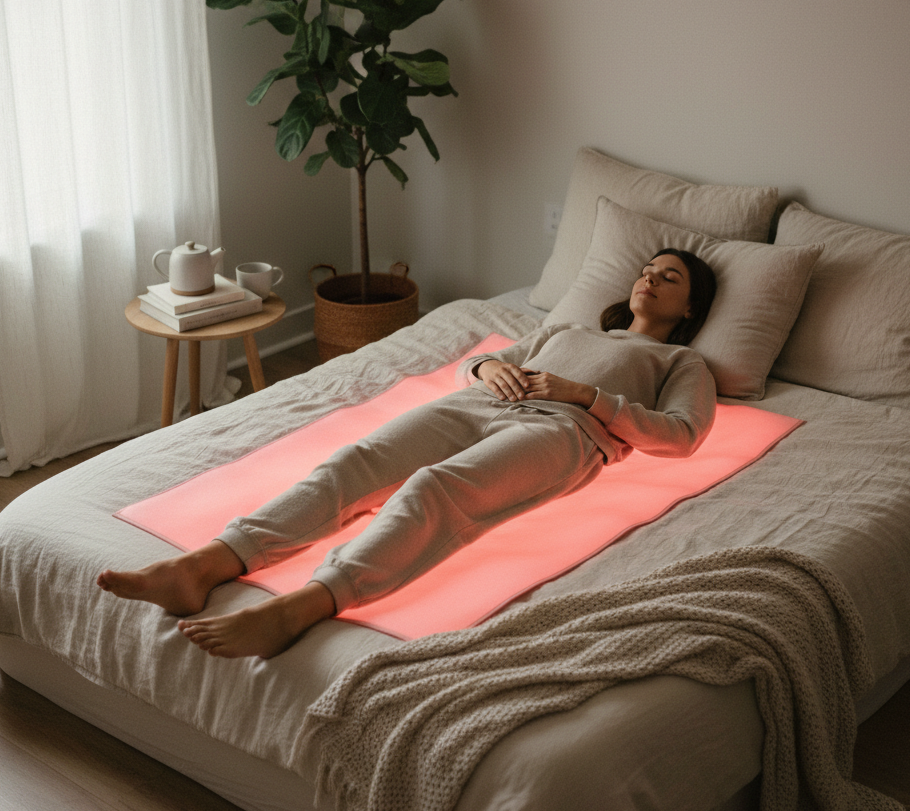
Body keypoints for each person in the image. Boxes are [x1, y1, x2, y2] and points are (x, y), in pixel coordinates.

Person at [97, 249, 718, 659]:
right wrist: (486, 367)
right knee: (355, 462)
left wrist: (587, 397)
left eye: (670, 277)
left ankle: (302, 607)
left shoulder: (682, 361)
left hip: (565, 432)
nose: (650, 278)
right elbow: (484, 361)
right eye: (647, 268)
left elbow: (684, 436)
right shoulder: (568, 329)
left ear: (689, 307)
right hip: (484, 404)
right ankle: (202, 566)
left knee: (435, 490)